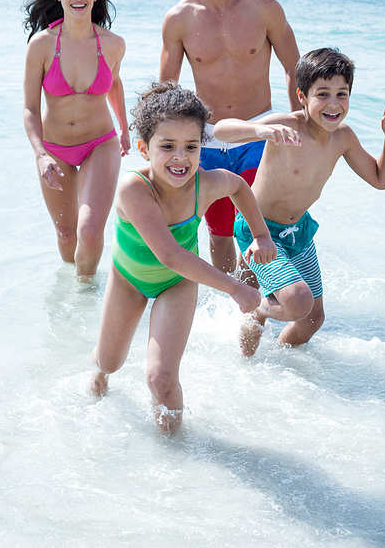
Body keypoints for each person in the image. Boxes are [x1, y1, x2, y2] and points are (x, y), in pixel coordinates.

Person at [91, 81, 276, 433]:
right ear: (144, 149)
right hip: (129, 281)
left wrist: (261, 234)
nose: (181, 157)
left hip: (176, 285)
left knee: (160, 377)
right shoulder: (134, 188)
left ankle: (174, 448)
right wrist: (235, 288)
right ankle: (98, 373)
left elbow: (238, 186)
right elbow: (170, 254)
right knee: (109, 361)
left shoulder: (205, 184)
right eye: (167, 146)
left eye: (191, 146)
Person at [213, 47, 385, 356]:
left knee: (312, 320)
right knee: (297, 302)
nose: (333, 104)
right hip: (259, 229)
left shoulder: (343, 137)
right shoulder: (288, 126)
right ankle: (259, 312)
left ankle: (271, 371)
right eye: (323, 94)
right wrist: (260, 129)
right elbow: (220, 130)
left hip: (299, 232)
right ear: (302, 96)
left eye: (341, 94)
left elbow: (380, 179)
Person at [160, 0, 301, 274]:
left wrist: (302, 124)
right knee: (219, 233)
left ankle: (255, 311)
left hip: (258, 132)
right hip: (207, 139)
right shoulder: (179, 19)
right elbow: (166, 88)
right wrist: (157, 143)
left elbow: (294, 69)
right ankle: (232, 304)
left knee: (257, 228)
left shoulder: (263, 6)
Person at [23, 0, 131, 279]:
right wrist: (40, 154)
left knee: (90, 231)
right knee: (67, 234)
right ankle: (71, 296)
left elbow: (114, 82)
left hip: (99, 143)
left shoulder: (112, 44)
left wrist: (124, 128)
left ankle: (85, 291)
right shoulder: (42, 45)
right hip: (54, 149)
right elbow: (29, 108)